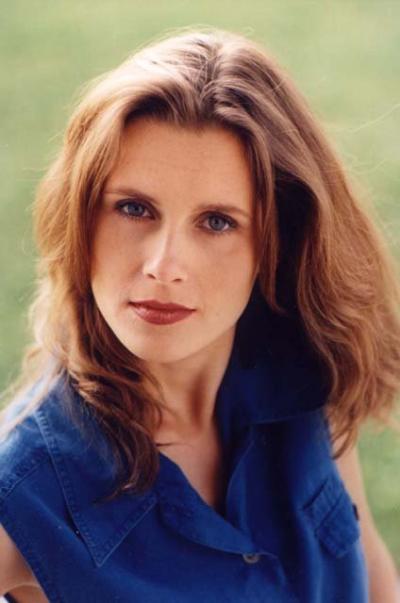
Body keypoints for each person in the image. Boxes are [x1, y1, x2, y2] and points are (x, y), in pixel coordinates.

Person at [0, 27, 399, 603]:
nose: (164, 267)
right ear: (81, 218)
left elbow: (376, 581)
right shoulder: (23, 492)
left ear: (278, 240)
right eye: (134, 208)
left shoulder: (308, 366)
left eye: (216, 222)